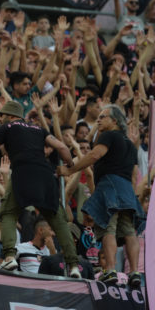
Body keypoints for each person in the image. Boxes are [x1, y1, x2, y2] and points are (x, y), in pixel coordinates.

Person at [0, 101, 81, 278]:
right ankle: (73, 266)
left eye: (2, 116)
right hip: (45, 175)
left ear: (10, 116)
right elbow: (62, 147)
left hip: (22, 172)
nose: (0, 119)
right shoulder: (38, 129)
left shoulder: (6, 127)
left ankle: (9, 257)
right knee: (59, 220)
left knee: (8, 214)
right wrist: (70, 165)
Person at [58, 105, 142, 287]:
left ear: (114, 121)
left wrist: (70, 170)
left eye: (103, 117)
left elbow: (95, 155)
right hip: (127, 189)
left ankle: (110, 270)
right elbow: (135, 174)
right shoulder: (130, 144)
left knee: (108, 227)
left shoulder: (108, 135)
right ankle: (134, 272)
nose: (98, 119)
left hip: (109, 185)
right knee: (129, 231)